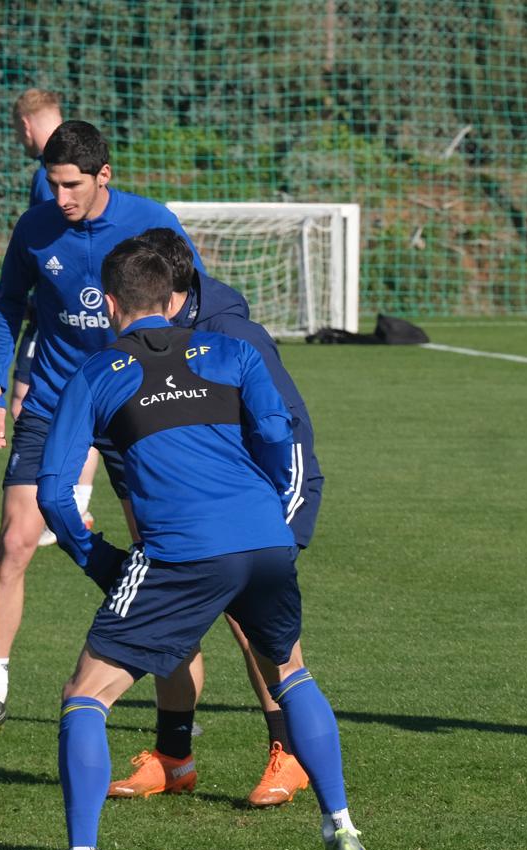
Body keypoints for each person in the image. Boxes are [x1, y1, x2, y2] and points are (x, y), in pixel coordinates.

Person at [17, 240, 366, 850]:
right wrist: (278, 532)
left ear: (112, 305)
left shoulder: (94, 374)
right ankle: (341, 827)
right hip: (263, 541)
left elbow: (53, 492)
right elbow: (278, 439)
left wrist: (100, 561)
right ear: (173, 298)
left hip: (180, 551)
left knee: (84, 696)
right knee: (289, 672)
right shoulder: (234, 352)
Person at [0, 120, 205, 737]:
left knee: (161, 549)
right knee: (16, 538)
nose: (60, 197)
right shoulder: (35, 227)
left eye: (72, 185)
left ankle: (174, 707)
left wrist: (189, 383)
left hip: (136, 403)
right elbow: (8, 306)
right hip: (55, 402)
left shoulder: (152, 221)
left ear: (103, 177)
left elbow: (197, 302)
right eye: (52, 182)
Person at [103, 227, 324, 807]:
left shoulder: (232, 334)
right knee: (169, 622)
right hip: (175, 510)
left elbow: (290, 435)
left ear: (170, 294)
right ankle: (174, 758)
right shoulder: (143, 339)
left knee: (262, 635)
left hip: (252, 510)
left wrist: (283, 523)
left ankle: (291, 756)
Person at [9, 89, 99, 547]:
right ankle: (71, 507)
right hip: (78, 312)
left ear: (26, 126)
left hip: (58, 315)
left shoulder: (45, 175)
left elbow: (44, 253)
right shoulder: (79, 159)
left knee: (32, 401)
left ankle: (62, 508)